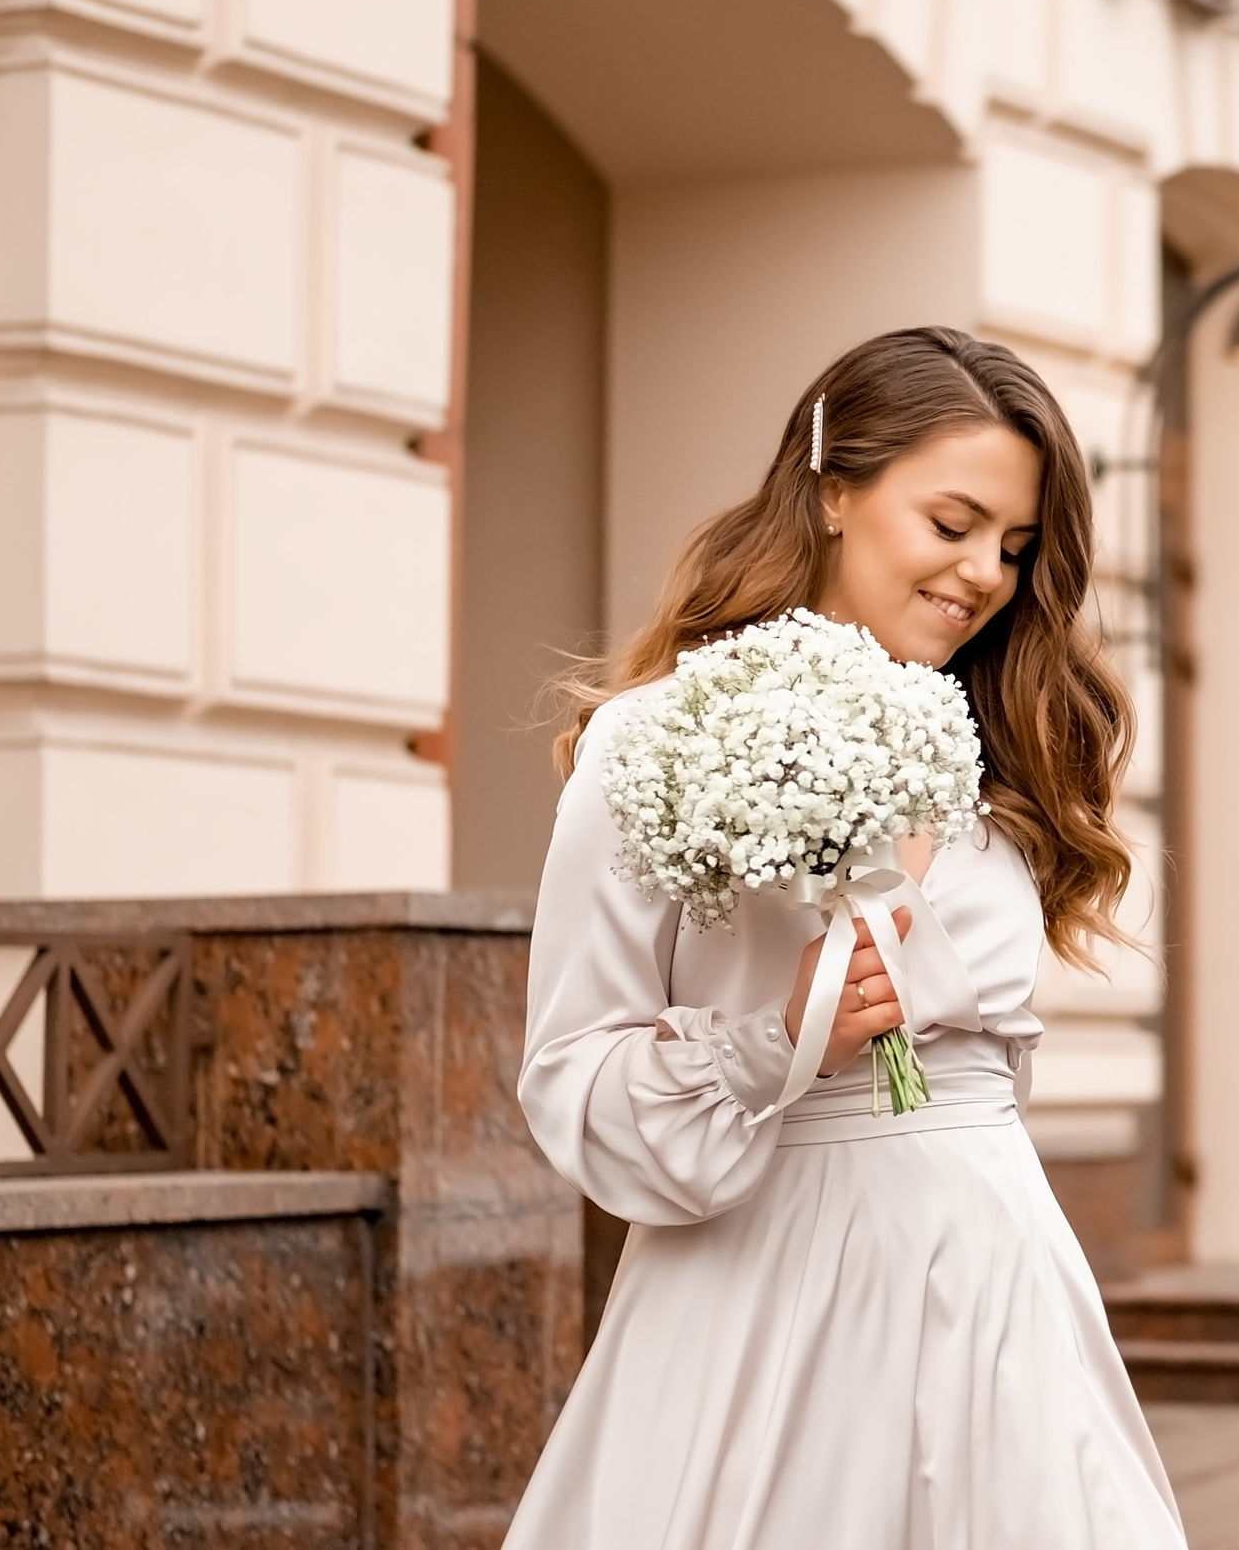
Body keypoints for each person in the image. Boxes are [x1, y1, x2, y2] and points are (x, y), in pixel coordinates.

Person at [505, 328, 1185, 1548]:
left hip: (994, 1265)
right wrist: (780, 1042)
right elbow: (570, 1074)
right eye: (952, 524)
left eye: (1017, 548)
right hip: (773, 1283)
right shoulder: (657, 741)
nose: (984, 572)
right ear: (833, 492)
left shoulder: (996, 754)